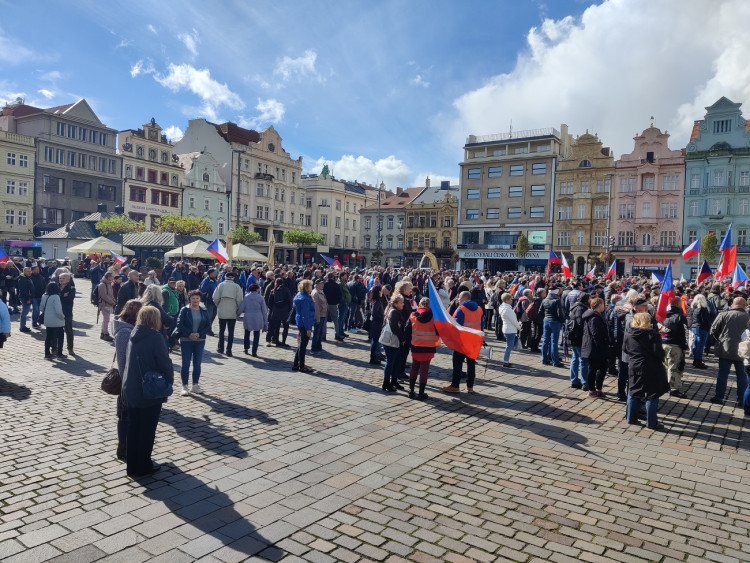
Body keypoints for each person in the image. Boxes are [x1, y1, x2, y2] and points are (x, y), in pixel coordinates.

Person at [121, 305, 174, 478]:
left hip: (131, 389)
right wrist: (169, 380)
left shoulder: (133, 333)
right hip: (148, 389)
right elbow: (164, 362)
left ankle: (132, 466)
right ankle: (143, 465)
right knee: (147, 430)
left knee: (134, 428)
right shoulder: (154, 337)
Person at [623, 312, 669, 429]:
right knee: (652, 394)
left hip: (635, 365)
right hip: (651, 367)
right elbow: (658, 352)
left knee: (634, 392)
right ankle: (652, 422)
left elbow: (625, 349)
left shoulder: (629, 334)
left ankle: (631, 418)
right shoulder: (652, 335)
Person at [113, 299, 143, 461]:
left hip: (132, 379)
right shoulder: (124, 331)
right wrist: (127, 383)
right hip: (127, 381)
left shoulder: (131, 328)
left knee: (129, 416)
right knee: (124, 416)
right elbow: (123, 361)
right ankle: (122, 446)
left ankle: (128, 445)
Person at [709, 297, 750, 407]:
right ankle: (741, 399)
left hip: (725, 349)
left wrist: (720, 341)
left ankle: (719, 397)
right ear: (744, 305)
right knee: (742, 376)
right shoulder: (747, 317)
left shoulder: (724, 314)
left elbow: (713, 331)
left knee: (723, 374)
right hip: (743, 351)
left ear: (733, 304)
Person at [443, 291, 483, 394]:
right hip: (474, 340)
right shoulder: (479, 309)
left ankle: (455, 385)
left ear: (464, 298)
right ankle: (470, 386)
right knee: (471, 363)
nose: (458, 300)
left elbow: (456, 326)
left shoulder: (461, 309)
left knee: (457, 363)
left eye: (459, 298)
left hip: (462, 341)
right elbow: (481, 325)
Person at [175, 290, 211, 396]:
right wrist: (189, 334)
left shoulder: (204, 310)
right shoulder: (184, 310)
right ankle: (184, 386)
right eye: (193, 298)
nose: (195, 300)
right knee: (185, 363)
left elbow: (208, 325)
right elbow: (179, 324)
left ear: (200, 299)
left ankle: (195, 385)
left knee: (197, 364)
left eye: (197, 298)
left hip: (200, 340)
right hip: (186, 340)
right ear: (189, 299)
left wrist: (199, 334)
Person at [405, 297, 440, 399]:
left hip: (416, 345)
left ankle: (411, 391)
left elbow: (407, 330)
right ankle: (421, 393)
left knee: (414, 367)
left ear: (420, 304)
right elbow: (439, 331)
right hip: (429, 346)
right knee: (424, 369)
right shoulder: (435, 317)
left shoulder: (413, 315)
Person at [660, 296, 689, 398]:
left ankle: (664, 385)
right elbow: (684, 332)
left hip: (663, 343)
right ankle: (673, 388)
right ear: (678, 304)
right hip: (674, 344)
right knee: (674, 367)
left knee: (665, 365)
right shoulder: (680, 316)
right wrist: (684, 345)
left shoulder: (662, 314)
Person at [582, 297, 609, 398]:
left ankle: (599, 389)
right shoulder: (594, 318)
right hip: (594, 348)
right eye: (603, 304)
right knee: (593, 369)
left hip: (597, 347)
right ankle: (592, 389)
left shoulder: (597, 316)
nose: (604, 306)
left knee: (602, 368)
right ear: (599, 305)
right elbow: (595, 334)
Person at [212, 272, 243, 357]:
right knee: (231, 331)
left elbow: (215, 298)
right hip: (232, 308)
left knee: (221, 330)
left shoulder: (221, 285)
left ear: (225, 277)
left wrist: (219, 305)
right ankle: (229, 350)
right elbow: (240, 300)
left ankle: (220, 348)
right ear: (233, 278)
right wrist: (237, 309)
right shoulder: (237, 286)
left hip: (222, 307)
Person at [382, 294, 406, 392]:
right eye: (401, 302)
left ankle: (394, 381)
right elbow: (394, 327)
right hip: (391, 340)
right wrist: (402, 338)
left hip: (395, 340)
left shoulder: (395, 310)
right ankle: (386, 382)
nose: (403, 304)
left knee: (396, 361)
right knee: (390, 362)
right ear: (396, 303)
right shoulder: (394, 312)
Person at [140, 284, 175, 350]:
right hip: (156, 335)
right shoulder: (155, 305)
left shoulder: (142, 304)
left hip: (143, 334)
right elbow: (169, 321)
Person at [566, 293, 590, 390]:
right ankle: (584, 382)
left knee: (575, 358)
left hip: (574, 336)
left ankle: (574, 380)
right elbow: (580, 322)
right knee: (582, 359)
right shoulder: (580, 308)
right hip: (578, 337)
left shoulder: (575, 306)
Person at [238, 283, 268, 357]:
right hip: (258, 316)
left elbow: (241, 307)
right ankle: (254, 351)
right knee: (256, 334)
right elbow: (264, 310)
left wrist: (237, 314)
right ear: (257, 289)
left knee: (247, 333)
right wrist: (265, 320)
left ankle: (246, 347)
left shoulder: (246, 297)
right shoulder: (260, 298)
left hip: (248, 316)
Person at [292, 279, 315, 372]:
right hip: (305, 323)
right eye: (310, 286)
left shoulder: (300, 296)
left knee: (301, 344)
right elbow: (305, 314)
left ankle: (296, 364)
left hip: (300, 322)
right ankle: (301, 365)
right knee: (303, 345)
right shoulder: (305, 299)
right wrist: (308, 328)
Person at [540, 284, 565, 368]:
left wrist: (545, 317)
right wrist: (562, 321)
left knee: (545, 340)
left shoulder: (544, 300)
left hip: (546, 320)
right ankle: (555, 361)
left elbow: (540, 312)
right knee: (554, 341)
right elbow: (559, 313)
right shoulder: (556, 300)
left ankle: (544, 359)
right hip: (555, 321)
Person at [40, 282, 65, 359]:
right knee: (60, 337)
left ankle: (47, 353)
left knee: (48, 337)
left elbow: (41, 308)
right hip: (57, 320)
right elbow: (58, 311)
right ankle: (59, 354)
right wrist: (62, 317)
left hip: (47, 320)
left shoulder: (44, 296)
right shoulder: (56, 297)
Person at [498, 292, 522, 367]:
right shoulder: (508, 309)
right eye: (510, 299)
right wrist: (519, 327)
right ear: (507, 300)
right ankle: (506, 361)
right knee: (509, 346)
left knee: (509, 345)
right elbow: (514, 320)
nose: (512, 300)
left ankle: (506, 360)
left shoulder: (502, 307)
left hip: (507, 328)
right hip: (510, 329)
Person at [267, 277, 292, 347]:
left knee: (277, 327)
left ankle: (277, 341)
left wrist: (273, 309)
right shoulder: (286, 290)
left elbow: (269, 303)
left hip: (276, 311)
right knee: (286, 327)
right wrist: (288, 309)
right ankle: (283, 342)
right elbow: (290, 301)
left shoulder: (273, 291)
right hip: (285, 311)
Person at [689, 293, 711, 370]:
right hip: (702, 328)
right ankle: (698, 361)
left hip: (695, 327)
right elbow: (705, 320)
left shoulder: (694, 308)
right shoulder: (703, 309)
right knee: (700, 346)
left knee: (696, 344)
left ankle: (696, 360)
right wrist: (709, 327)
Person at [58, 272, 76, 356]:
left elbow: (69, 299)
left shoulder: (71, 288)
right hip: (57, 312)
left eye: (63, 278)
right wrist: (62, 296)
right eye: (60, 278)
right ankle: (55, 348)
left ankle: (70, 348)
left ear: (68, 280)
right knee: (56, 331)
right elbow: (53, 298)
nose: (61, 280)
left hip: (67, 312)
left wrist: (59, 297)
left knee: (68, 330)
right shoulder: (56, 287)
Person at [368, 285, 385, 365]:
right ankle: (373, 358)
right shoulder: (377, 301)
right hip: (377, 323)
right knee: (375, 341)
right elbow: (374, 313)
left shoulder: (377, 300)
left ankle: (373, 357)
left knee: (375, 341)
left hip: (376, 323)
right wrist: (381, 319)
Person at [97, 271, 116, 341]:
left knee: (106, 319)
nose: (113, 277)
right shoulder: (102, 284)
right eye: (112, 276)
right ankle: (105, 333)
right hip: (104, 304)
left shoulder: (109, 284)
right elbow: (104, 296)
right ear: (108, 277)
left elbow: (111, 294)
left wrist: (113, 300)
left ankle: (103, 333)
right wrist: (111, 302)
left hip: (109, 304)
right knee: (106, 319)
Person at [310, 278, 328, 354]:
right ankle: (314, 349)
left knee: (320, 332)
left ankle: (318, 347)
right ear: (317, 285)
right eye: (321, 284)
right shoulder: (315, 293)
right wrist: (317, 318)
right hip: (319, 315)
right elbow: (316, 307)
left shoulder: (321, 292)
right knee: (317, 333)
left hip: (323, 314)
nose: (322, 285)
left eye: (323, 284)